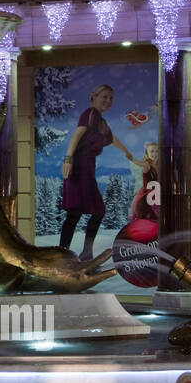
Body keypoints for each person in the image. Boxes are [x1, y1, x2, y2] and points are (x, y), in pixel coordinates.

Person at [59, 84, 136, 260]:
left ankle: (76, 253)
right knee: (82, 213)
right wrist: (68, 158)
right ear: (94, 96)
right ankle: (67, 254)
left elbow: (112, 137)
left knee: (79, 213)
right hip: (78, 168)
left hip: (87, 169)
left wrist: (126, 152)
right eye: (105, 96)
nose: (108, 100)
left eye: (111, 98)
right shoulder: (90, 114)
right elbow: (76, 135)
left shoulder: (100, 120)